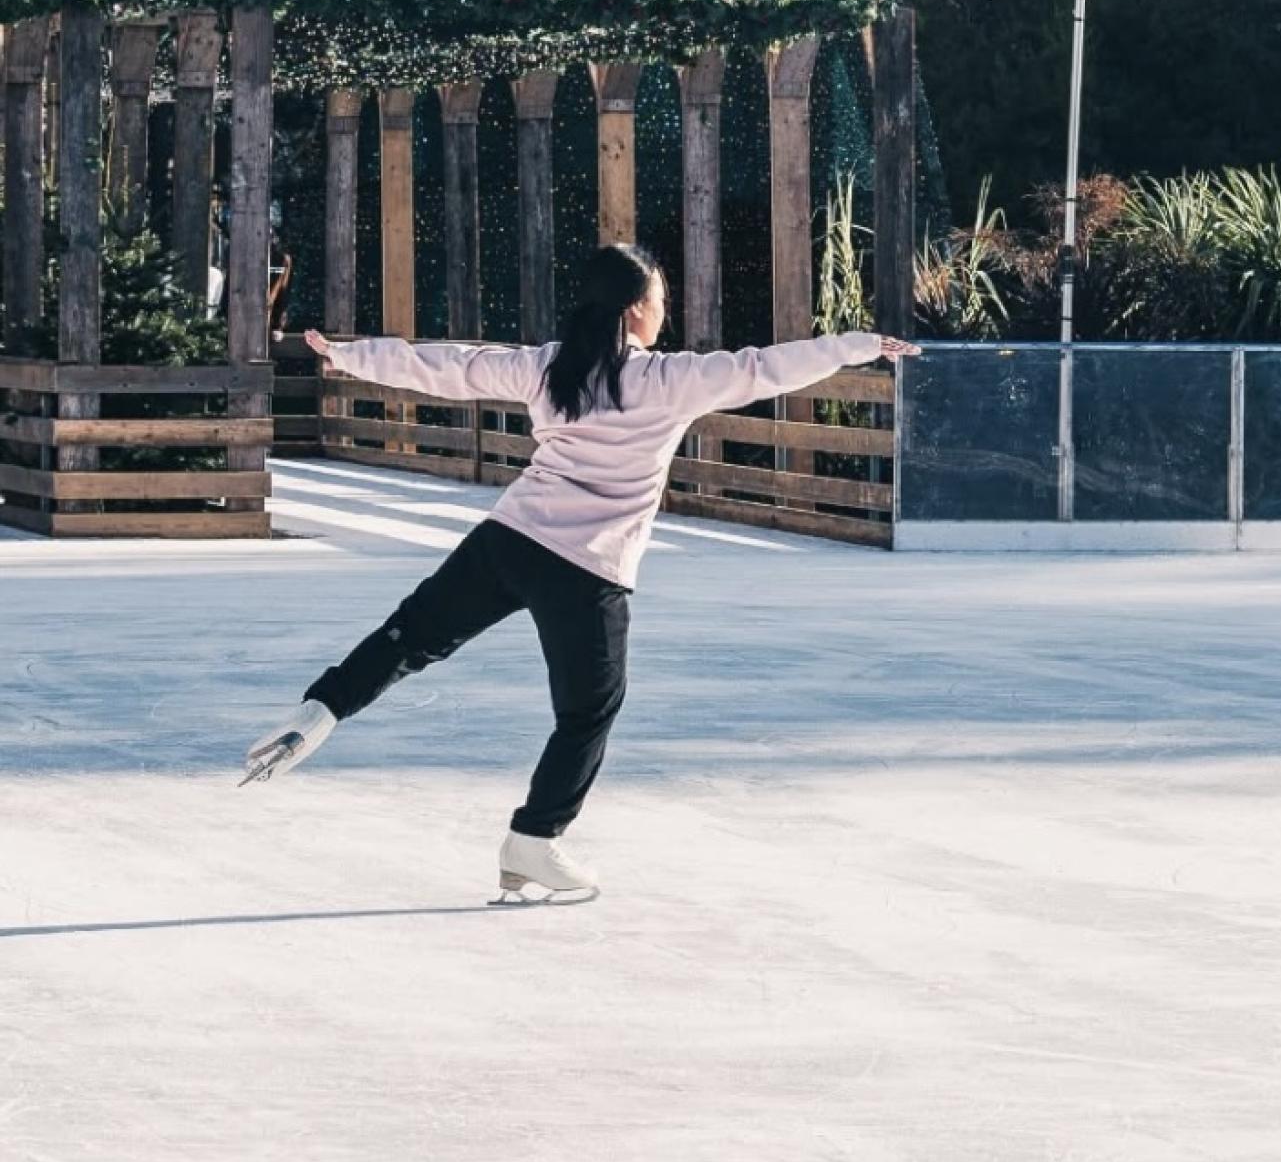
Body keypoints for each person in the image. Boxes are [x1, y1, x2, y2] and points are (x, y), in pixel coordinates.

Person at [242, 244, 922, 901]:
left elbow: (450, 366)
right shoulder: (668, 380)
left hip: (512, 537)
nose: (665, 310)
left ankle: (322, 708)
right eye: (660, 297)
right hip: (587, 569)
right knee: (589, 710)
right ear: (633, 310)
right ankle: (533, 840)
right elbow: (762, 369)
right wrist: (858, 343)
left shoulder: (548, 368)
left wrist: (349, 355)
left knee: (410, 635)